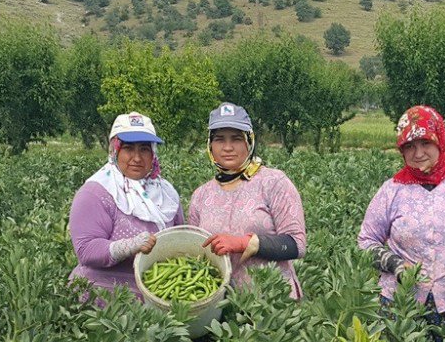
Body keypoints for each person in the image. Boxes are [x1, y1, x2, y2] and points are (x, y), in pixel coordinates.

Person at [357, 105, 445, 342]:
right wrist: (396, 265)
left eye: (425, 143)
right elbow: (366, 242)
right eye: (409, 146)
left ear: (439, 142)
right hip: (400, 305)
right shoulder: (392, 190)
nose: (418, 153)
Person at [188, 103, 307, 299]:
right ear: (210, 145)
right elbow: (196, 250)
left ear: (249, 141)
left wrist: (245, 243)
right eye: (219, 139)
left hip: (273, 304)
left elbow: (297, 245)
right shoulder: (201, 195)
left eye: (236, 139)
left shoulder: (273, 182)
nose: (227, 147)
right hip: (222, 307)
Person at [69, 113, 183, 301]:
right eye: (128, 148)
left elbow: (178, 238)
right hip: (101, 301)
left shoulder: (166, 193)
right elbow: (86, 250)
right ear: (115, 150)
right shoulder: (96, 192)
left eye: (144, 149)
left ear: (153, 153)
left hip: (153, 302)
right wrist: (129, 246)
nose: (137, 158)